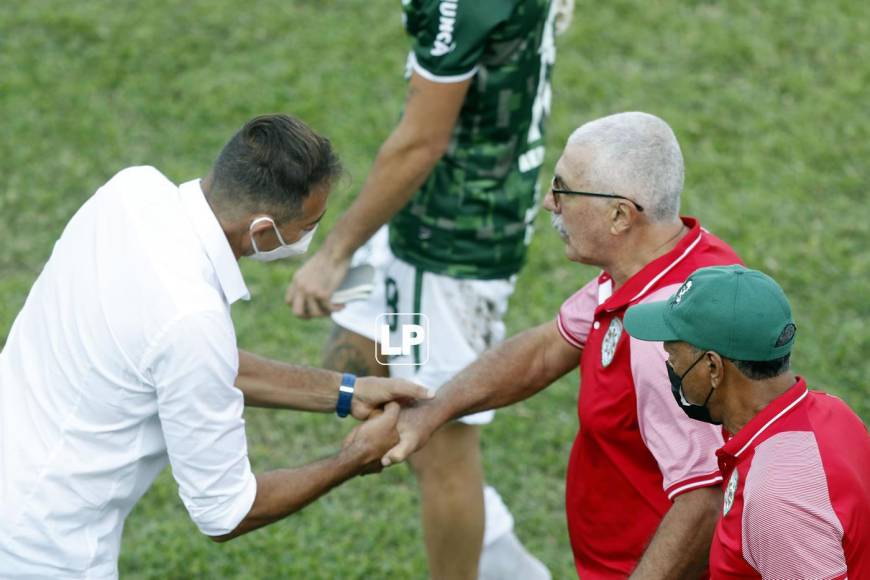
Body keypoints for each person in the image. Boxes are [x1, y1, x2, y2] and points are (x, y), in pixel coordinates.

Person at [0, 114, 430, 579]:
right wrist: (356, 458)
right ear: (263, 232)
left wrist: (346, 391)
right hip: (40, 551)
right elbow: (226, 513)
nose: (310, 236)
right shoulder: (192, 317)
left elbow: (182, 362)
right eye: (310, 224)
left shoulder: (130, 190)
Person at [382, 111, 746, 578]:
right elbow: (545, 350)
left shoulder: (664, 340)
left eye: (564, 189)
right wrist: (434, 410)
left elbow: (704, 499)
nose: (550, 203)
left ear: (620, 214)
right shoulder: (663, 262)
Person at [285, 2, 573, 578]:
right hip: (434, 222)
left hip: (446, 242)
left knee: (437, 437)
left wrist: (334, 252)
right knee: (360, 352)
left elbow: (421, 141)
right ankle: (502, 560)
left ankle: (481, 562)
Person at [623, 265, 870, 578]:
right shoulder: (833, 412)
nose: (669, 363)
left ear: (713, 366)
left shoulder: (777, 499)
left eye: (673, 353)